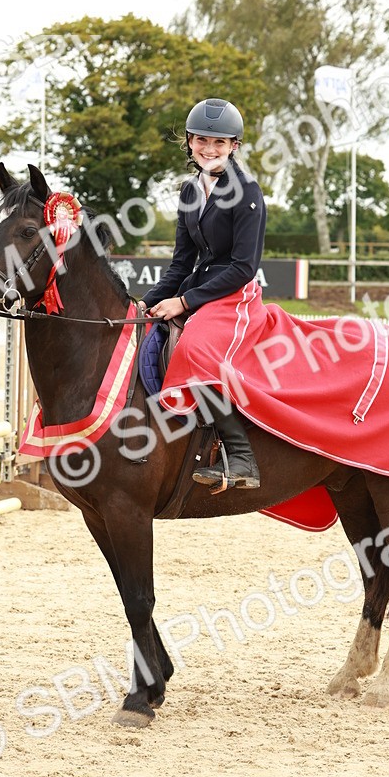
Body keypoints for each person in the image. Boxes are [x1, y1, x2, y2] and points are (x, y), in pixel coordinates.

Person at [143, 98, 264, 489]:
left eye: (219, 143)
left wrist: (184, 301)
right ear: (190, 143)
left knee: (194, 347)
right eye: (201, 141)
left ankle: (241, 457)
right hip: (200, 287)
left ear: (234, 146)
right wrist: (146, 301)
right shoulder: (189, 191)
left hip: (235, 293)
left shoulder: (247, 191)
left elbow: (243, 266)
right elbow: (181, 264)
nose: (209, 149)